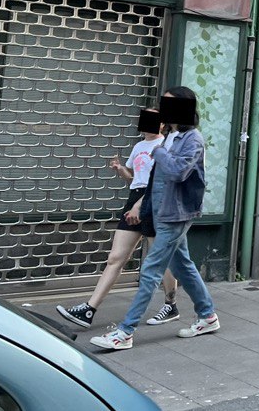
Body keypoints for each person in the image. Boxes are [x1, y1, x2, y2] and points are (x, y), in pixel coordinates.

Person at [90, 87, 219, 350]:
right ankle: (207, 315)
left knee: (150, 270)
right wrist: (143, 207)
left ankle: (124, 333)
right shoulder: (170, 136)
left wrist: (159, 153)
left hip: (176, 214)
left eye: (170, 104)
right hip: (161, 211)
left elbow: (178, 172)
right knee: (183, 265)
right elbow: (154, 180)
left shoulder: (192, 139)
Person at [55, 114, 180, 328]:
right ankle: (89, 310)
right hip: (134, 198)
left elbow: (159, 181)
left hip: (153, 201)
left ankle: (170, 304)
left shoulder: (165, 145)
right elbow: (135, 177)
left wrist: (140, 205)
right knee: (115, 258)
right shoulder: (139, 145)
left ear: (162, 124)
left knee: (160, 259)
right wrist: (122, 170)